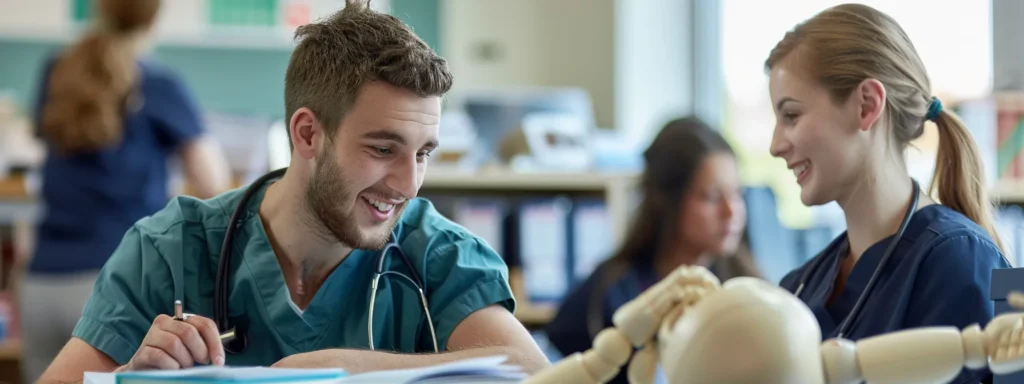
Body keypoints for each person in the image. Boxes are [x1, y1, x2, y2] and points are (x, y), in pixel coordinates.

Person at [38, 1, 550, 380]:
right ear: (307, 134)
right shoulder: (169, 250)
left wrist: (345, 368)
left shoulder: (436, 253)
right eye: (382, 149)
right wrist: (134, 375)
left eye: (423, 153)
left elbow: (532, 371)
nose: (407, 184)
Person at [767, 4, 1012, 383]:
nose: (774, 145)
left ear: (867, 105)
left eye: (792, 116)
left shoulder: (962, 259)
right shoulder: (798, 286)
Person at [19, 0, 230, 381]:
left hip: (40, 282)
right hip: (111, 290)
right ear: (155, 19)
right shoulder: (158, 84)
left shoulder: (57, 70)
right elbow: (213, 182)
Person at [543, 116, 761, 384]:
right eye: (712, 197)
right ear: (668, 199)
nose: (731, 212)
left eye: (737, 194)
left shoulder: (749, 289)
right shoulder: (609, 294)